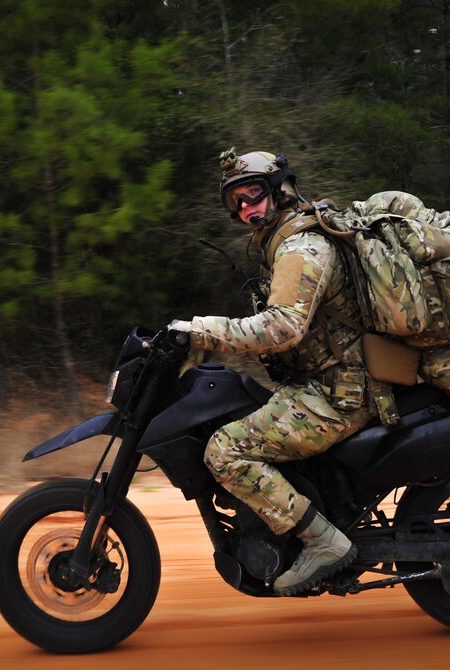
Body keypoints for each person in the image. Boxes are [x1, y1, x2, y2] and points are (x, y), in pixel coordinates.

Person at [168, 148, 394, 595]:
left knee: (225, 452)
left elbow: (282, 326)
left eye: (253, 195)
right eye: (237, 203)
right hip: (326, 383)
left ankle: (323, 542)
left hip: (337, 394)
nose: (246, 208)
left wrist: (200, 331)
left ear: (279, 191)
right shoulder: (286, 241)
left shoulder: (301, 246)